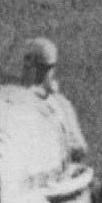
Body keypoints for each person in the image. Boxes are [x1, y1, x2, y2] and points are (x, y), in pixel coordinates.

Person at [17, 36, 89, 164]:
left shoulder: (58, 104)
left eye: (28, 67)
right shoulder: (61, 102)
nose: (26, 71)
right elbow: (79, 147)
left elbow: (79, 148)